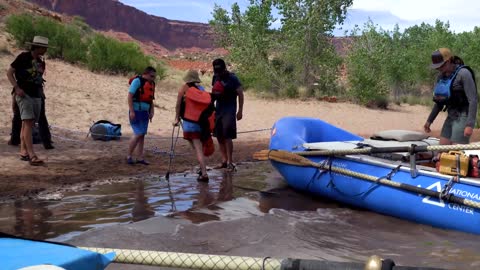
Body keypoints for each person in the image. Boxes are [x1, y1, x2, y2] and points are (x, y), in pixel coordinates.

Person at [6, 36, 50, 166]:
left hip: (36, 95)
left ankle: (23, 152)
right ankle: (32, 155)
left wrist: (41, 94)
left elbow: (38, 80)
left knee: (28, 124)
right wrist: (16, 88)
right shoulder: (23, 57)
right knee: (29, 122)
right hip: (24, 94)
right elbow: (9, 73)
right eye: (44, 48)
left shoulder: (41, 62)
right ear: (37, 47)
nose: (45, 50)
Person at [423, 48, 478, 145]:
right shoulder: (441, 77)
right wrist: (429, 120)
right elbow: (439, 102)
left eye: (440, 65)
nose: (438, 69)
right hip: (451, 116)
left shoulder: (464, 73)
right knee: (442, 150)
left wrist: (470, 125)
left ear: (448, 61)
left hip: (463, 116)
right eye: (436, 66)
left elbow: (473, 100)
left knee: (456, 153)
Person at [173, 69, 213, 182]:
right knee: (198, 147)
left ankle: (204, 173)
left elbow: (178, 105)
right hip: (201, 123)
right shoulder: (201, 89)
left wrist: (176, 118)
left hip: (189, 123)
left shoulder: (183, 89)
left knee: (197, 148)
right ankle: (202, 167)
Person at [211, 58, 244, 171]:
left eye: (220, 70)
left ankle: (230, 162)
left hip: (229, 111)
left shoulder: (233, 78)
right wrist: (210, 107)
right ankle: (224, 160)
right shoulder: (215, 77)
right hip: (218, 110)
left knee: (227, 136)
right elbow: (214, 93)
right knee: (219, 136)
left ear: (224, 68)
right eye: (216, 70)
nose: (218, 73)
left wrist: (240, 111)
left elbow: (240, 94)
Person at [127, 66, 156, 165]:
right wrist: (131, 111)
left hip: (145, 112)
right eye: (152, 76)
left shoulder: (151, 84)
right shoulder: (137, 81)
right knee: (138, 133)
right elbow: (130, 96)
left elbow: (151, 100)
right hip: (136, 111)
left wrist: (152, 111)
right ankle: (129, 156)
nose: (153, 78)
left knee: (142, 134)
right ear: (146, 73)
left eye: (154, 77)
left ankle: (140, 157)